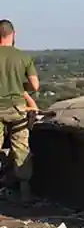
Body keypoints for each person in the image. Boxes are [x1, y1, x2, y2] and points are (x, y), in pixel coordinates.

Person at [0, 20, 40, 202]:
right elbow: (35, 86)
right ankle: (25, 195)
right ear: (13, 34)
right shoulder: (23, 57)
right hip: (17, 109)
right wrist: (18, 86)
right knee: (21, 149)